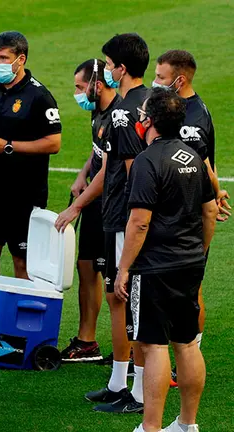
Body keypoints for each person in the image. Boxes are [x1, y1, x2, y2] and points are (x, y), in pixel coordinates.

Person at [115, 88, 217, 432]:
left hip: (154, 267)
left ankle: (151, 428)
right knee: (187, 342)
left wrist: (124, 268)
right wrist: (197, 253)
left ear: (151, 122)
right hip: (189, 264)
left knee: (154, 345)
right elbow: (210, 210)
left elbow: (139, 221)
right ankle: (187, 425)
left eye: (142, 115)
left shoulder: (147, 160)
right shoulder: (192, 156)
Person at [152, 51, 228, 380]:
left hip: (186, 221)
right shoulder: (188, 108)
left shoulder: (190, 120)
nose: (155, 81)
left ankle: (187, 354)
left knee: (190, 290)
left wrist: (213, 194)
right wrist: (218, 187)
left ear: (179, 80)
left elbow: (201, 164)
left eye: (160, 76)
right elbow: (209, 163)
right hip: (182, 217)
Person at [85, 32, 149, 414]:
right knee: (118, 299)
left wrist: (131, 224)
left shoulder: (124, 112)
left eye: (108, 65)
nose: (106, 70)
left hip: (126, 219)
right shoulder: (138, 103)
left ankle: (139, 393)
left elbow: (131, 171)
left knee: (130, 303)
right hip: (118, 217)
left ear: (121, 68)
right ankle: (118, 381)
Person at [0, 31, 62, 279]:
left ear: (21, 59)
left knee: (23, 262)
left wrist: (7, 146)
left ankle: (24, 317)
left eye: (3, 57)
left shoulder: (39, 96)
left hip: (26, 194)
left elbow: (54, 142)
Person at [56, 59, 120, 362]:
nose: (77, 94)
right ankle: (87, 341)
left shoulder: (118, 114)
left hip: (113, 203)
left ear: (97, 84)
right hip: (96, 197)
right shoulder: (99, 110)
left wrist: (76, 208)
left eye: (80, 87)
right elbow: (98, 152)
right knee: (86, 265)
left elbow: (109, 170)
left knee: (113, 276)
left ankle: (131, 351)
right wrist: (83, 174)